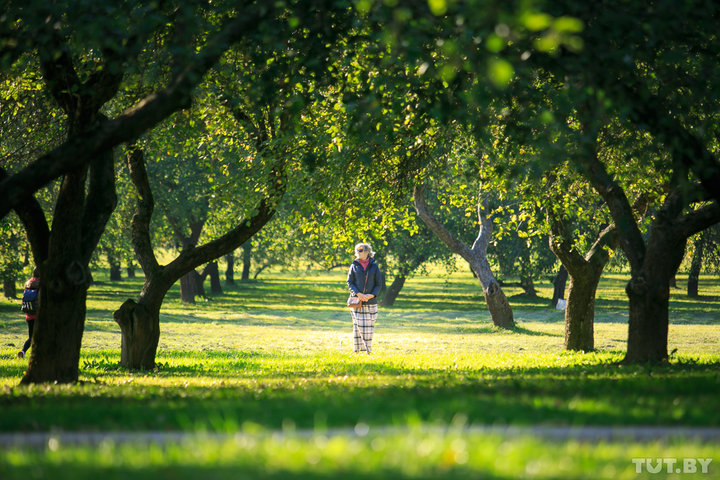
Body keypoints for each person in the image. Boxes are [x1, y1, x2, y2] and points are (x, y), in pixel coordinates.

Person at [346, 243, 383, 354]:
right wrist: (358, 294)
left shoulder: (374, 266)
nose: (357, 252)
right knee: (361, 326)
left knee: (368, 327)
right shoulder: (354, 265)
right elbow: (349, 282)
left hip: (371, 301)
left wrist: (371, 295)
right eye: (356, 250)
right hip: (357, 301)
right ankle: (367, 350)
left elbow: (379, 284)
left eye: (360, 250)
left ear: (367, 252)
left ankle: (359, 350)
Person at [18, 267, 40, 359]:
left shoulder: (28, 283)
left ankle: (23, 351)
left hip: (29, 314)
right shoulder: (42, 283)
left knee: (31, 337)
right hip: (39, 315)